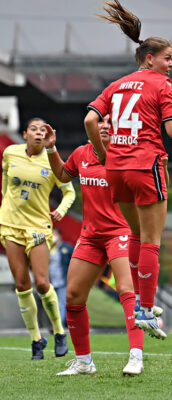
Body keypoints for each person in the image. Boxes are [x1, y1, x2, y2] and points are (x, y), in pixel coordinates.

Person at [84, 0, 172, 339]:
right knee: (152, 240)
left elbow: (90, 119)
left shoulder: (117, 84)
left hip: (116, 168)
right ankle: (145, 309)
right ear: (150, 58)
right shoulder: (162, 85)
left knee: (134, 236)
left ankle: (140, 306)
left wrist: (103, 155)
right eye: (168, 58)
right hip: (146, 165)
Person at [44, 116, 149, 376]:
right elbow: (61, 174)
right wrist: (50, 149)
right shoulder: (81, 153)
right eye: (100, 121)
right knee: (73, 296)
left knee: (126, 289)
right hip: (91, 236)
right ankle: (84, 362)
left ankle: (136, 356)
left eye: (110, 123)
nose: (104, 126)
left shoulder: (128, 155)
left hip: (121, 232)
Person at [0, 117, 75, 360]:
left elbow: (69, 191)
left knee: (42, 283)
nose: (38, 133)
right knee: (22, 284)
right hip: (11, 225)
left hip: (39, 227)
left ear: (48, 136)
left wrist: (61, 211)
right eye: (34, 129)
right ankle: (36, 339)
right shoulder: (10, 153)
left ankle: (59, 332)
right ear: (25, 134)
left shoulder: (52, 162)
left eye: (43, 130)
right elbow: (4, 183)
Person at [49, 227, 73, 327]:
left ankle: (59, 325)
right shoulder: (49, 248)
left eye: (54, 234)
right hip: (51, 280)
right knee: (52, 303)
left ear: (59, 235)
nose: (53, 236)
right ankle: (57, 323)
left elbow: (73, 262)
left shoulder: (66, 247)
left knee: (61, 303)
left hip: (63, 279)